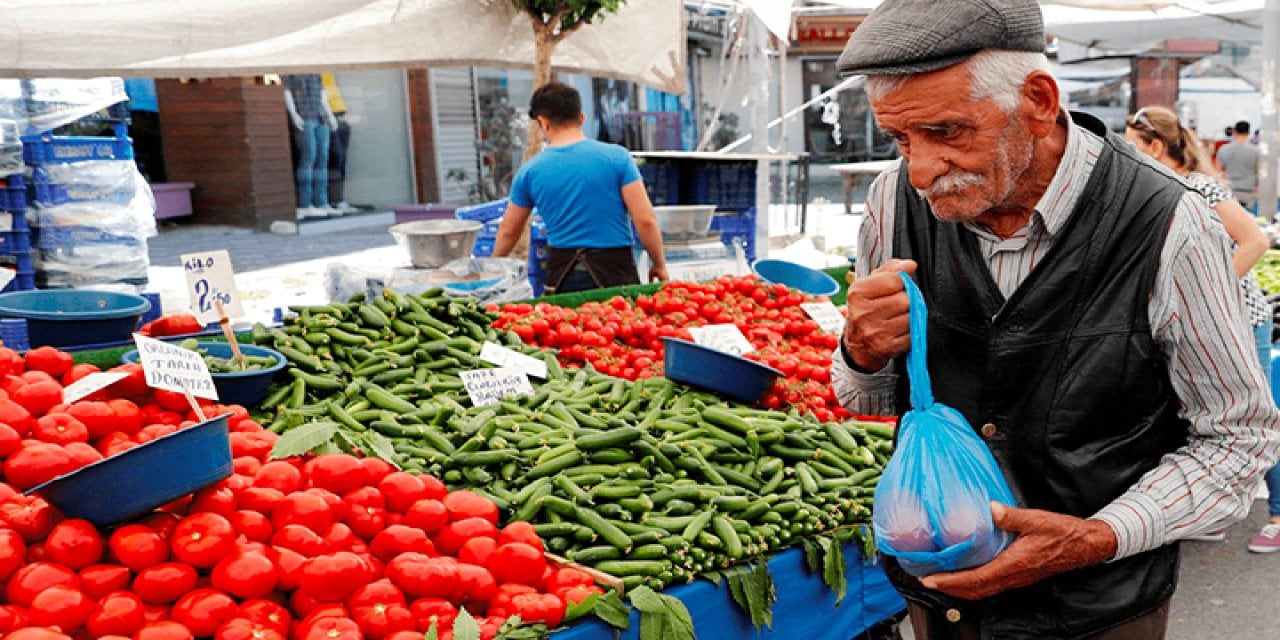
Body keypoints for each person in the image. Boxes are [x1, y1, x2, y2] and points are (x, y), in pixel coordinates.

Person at [833, 0, 1280, 637]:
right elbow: (867, 398)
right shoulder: (891, 201)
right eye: (901, 139)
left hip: (1096, 611)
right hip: (942, 602)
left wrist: (1098, 536)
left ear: (1039, 101)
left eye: (948, 131)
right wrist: (861, 349)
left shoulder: (1167, 224)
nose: (922, 170)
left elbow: (1240, 436)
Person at [492, 82, 667, 294]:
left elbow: (509, 231)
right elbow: (646, 220)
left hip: (563, 277)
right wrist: (658, 264)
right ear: (581, 118)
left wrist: (492, 267)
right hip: (616, 273)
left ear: (543, 122)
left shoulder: (529, 171)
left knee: (571, 326)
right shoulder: (617, 157)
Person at [283, 74, 339, 219]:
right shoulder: (291, 71)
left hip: (321, 117)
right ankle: (305, 203)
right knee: (309, 157)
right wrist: (294, 114)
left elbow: (321, 94)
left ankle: (322, 201)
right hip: (304, 116)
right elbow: (287, 91)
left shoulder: (315, 71)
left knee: (322, 159)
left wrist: (329, 115)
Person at [322, 72, 356, 213]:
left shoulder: (330, 68)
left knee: (341, 159)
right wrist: (329, 116)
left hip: (340, 112)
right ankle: (333, 199)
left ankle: (338, 199)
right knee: (335, 158)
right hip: (328, 115)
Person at [1216, 120, 1260, 212]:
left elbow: (1218, 171)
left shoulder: (1223, 149)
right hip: (1249, 191)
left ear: (1234, 132)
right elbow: (1259, 170)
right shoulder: (1256, 151)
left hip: (1229, 191)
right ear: (1248, 133)